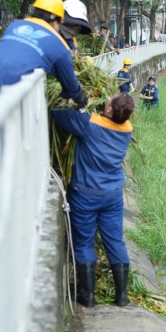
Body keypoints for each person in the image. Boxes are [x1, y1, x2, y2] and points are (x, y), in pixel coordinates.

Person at [52, 93, 136, 307]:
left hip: (86, 195)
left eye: (110, 100)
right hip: (112, 196)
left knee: (83, 242)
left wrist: (75, 101)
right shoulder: (127, 129)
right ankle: (122, 295)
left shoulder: (90, 124)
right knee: (115, 241)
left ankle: (88, 296)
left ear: (108, 110)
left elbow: (58, 113)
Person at [0, 0, 85, 109]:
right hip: (11, 93)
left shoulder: (15, 25)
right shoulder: (58, 44)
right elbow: (70, 83)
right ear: (55, 20)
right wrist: (79, 95)